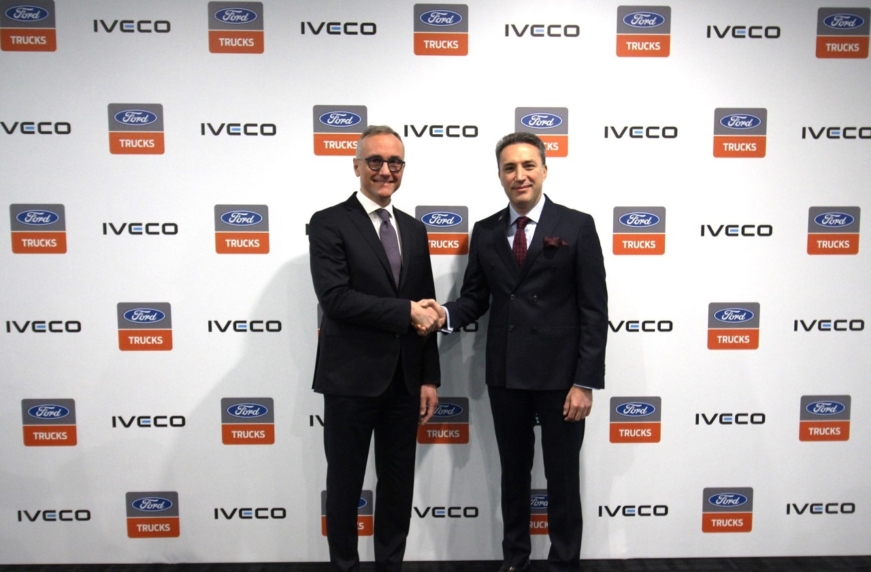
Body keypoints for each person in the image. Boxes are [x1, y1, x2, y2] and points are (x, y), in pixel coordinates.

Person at [423, 132, 608, 572]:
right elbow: (475, 298)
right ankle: (515, 559)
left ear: (544, 170)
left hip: (563, 378)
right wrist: (442, 314)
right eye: (510, 168)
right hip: (506, 374)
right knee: (513, 473)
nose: (519, 175)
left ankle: (564, 563)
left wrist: (585, 381)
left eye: (528, 166)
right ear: (500, 175)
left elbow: (594, 310)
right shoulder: (486, 231)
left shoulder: (577, 225)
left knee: (562, 476)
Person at [308, 125, 441, 572]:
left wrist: (428, 377)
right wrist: (404, 312)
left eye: (395, 162)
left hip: (404, 381)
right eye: (376, 161)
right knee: (344, 486)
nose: (386, 170)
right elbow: (335, 299)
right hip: (349, 379)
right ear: (357, 166)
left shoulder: (415, 229)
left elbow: (425, 307)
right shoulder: (329, 222)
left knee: (398, 486)